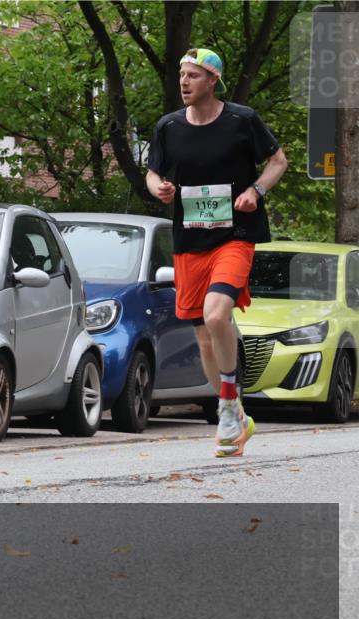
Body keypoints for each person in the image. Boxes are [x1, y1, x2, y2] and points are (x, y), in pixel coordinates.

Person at [146, 48, 288, 457]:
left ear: (213, 81)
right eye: (181, 76)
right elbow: (155, 172)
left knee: (216, 314)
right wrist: (159, 187)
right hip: (190, 241)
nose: (184, 83)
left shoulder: (242, 120)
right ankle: (235, 416)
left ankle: (228, 402)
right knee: (204, 337)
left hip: (235, 234)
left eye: (192, 76)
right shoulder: (168, 127)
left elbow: (277, 161)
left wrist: (255, 191)